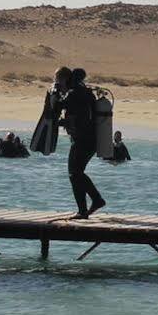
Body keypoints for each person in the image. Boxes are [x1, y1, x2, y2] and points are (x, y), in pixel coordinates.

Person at [54, 67, 107, 218]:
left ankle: (95, 201)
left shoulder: (74, 94)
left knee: (74, 173)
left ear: (64, 79)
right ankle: (84, 209)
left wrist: (59, 121)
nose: (56, 83)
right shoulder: (84, 91)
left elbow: (61, 108)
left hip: (83, 139)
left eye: (57, 79)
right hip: (91, 139)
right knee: (76, 173)